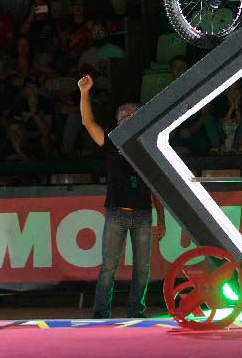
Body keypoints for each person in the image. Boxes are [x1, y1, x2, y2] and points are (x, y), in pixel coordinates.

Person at [79, 74, 165, 319]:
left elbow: (156, 184)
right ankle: (100, 312)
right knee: (108, 267)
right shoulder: (110, 143)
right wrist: (85, 93)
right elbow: (87, 121)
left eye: (134, 116)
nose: (129, 119)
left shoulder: (148, 147)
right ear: (117, 124)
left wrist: (161, 217)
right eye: (125, 117)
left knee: (142, 269)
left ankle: (136, 311)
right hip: (117, 212)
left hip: (142, 214)